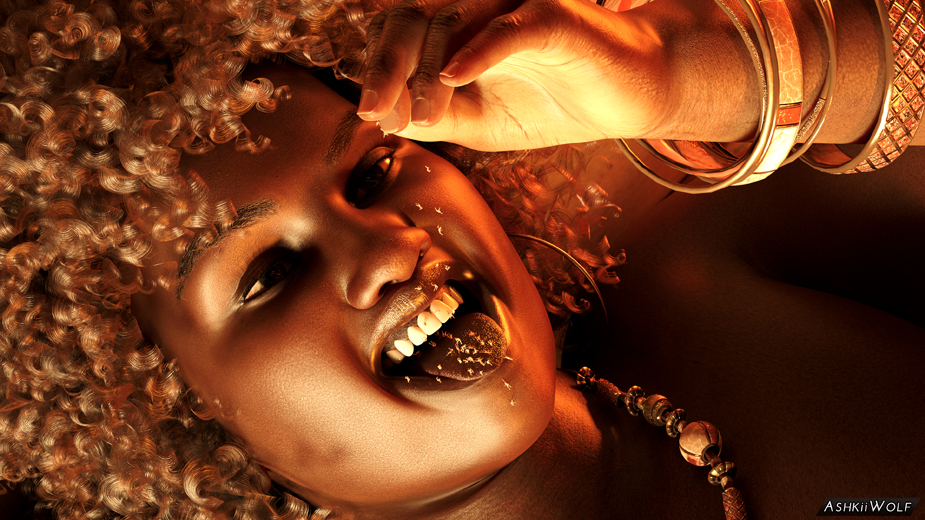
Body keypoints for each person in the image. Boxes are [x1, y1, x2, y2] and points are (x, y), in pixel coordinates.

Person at [1, 0, 922, 519]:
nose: (388, 248)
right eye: (267, 275)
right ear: (162, 417)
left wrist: (692, 76)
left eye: (371, 175)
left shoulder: (700, 251)